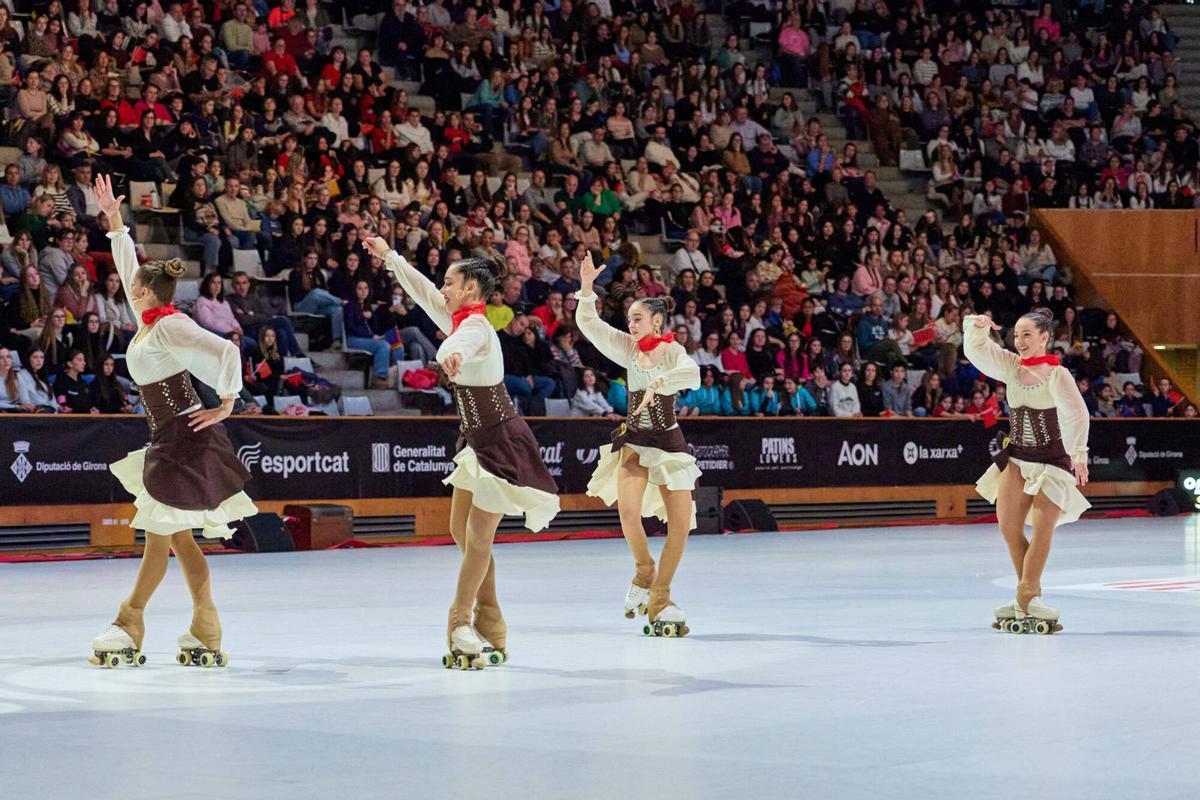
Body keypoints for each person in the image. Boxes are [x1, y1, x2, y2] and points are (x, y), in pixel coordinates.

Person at [364, 236, 560, 669]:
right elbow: (422, 292)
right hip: (476, 438)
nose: (443, 288)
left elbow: (460, 345)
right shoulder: (459, 317)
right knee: (460, 530)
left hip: (500, 440)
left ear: (471, 290)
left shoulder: (475, 329)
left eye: (449, 282)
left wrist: (448, 357)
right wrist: (390, 256)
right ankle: (492, 620)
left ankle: (460, 621)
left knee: (477, 538)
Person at [88, 174, 256, 670]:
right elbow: (127, 263)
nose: (125, 283)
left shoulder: (169, 324)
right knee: (178, 538)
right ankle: (206, 626)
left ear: (142, 292)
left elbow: (224, 347)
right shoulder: (150, 320)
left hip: (185, 438)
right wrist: (114, 220)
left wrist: (229, 399)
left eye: (130, 284)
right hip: (172, 436)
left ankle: (129, 620)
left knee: (161, 535)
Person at [575, 252, 702, 637]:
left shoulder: (673, 351)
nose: (629, 325)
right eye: (628, 319)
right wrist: (585, 288)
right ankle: (644, 569)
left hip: (668, 440)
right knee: (628, 513)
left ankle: (661, 596)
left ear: (657, 321)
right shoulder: (628, 349)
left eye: (637, 318)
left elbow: (692, 374)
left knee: (680, 526)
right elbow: (589, 324)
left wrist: (662, 382)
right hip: (634, 440)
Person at [964, 311, 1089, 635]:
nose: (1019, 342)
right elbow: (978, 353)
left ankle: (1025, 594)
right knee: (1008, 527)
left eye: (1027, 335)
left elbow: (1077, 414)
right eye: (1016, 335)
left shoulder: (1057, 375)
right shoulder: (1011, 366)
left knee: (1044, 526)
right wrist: (976, 330)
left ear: (1044, 337)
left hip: (1053, 460)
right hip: (1017, 457)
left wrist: (1079, 452)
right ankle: (1028, 599)